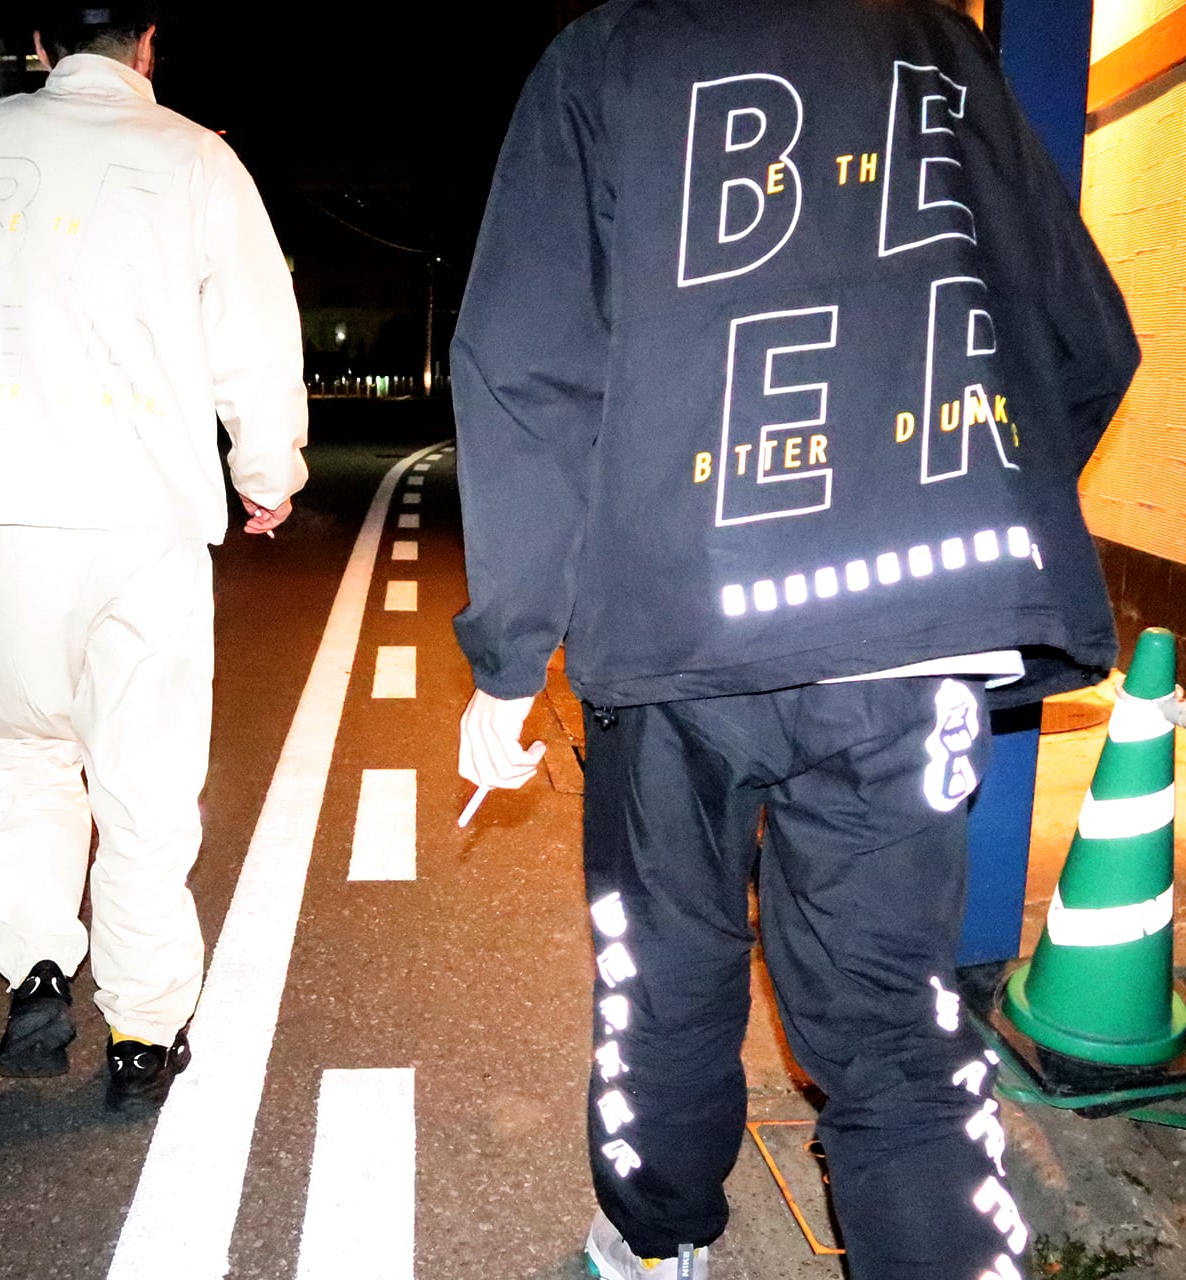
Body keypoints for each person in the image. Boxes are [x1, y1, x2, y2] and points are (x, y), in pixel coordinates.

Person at [452, 1, 1140, 1277]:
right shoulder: (933, 45)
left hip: (675, 627)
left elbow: (524, 369)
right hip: (903, 637)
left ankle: (656, 1240)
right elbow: (1085, 333)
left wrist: (509, 650)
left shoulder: (609, 57)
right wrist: (970, 501)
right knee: (893, 1025)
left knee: (665, 968)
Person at [0, 2, 307, 1114]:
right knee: (146, 784)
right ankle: (142, 1028)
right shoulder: (194, 157)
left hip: (7, 519)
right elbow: (254, 323)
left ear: (40, 46)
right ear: (148, 42)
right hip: (145, 519)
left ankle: (37, 964)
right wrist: (265, 466)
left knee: (30, 760)